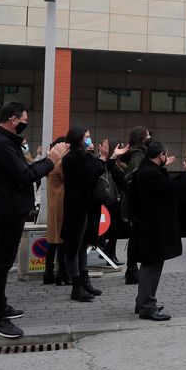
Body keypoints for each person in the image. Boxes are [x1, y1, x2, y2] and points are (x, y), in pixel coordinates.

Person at [0, 101, 69, 338]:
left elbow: (24, 169)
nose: (25, 123)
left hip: (11, 207)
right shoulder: (1, 144)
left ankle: (0, 307)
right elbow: (24, 175)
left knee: (4, 259)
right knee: (2, 262)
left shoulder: (6, 142)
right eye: (24, 119)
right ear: (13, 119)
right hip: (7, 210)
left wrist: (46, 161)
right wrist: (50, 160)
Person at [132, 140, 186, 320]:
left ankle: (143, 301)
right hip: (153, 228)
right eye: (165, 154)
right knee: (152, 265)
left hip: (151, 226)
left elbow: (168, 186)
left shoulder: (149, 170)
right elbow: (173, 188)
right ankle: (147, 306)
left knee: (151, 264)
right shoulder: (150, 174)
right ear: (161, 156)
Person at [62, 126, 126, 302]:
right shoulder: (72, 159)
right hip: (76, 207)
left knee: (84, 244)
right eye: (87, 137)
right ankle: (76, 286)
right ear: (78, 139)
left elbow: (96, 169)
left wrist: (107, 157)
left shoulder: (84, 156)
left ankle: (85, 281)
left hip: (88, 206)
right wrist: (104, 158)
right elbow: (92, 173)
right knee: (74, 247)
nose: (90, 140)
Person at [113, 125, 151, 285]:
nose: (150, 138)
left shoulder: (133, 154)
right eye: (148, 136)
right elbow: (133, 178)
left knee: (134, 237)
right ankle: (132, 271)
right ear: (142, 139)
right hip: (135, 204)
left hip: (130, 203)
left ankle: (132, 270)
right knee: (136, 238)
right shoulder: (139, 155)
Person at [44, 137, 69, 286]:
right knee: (61, 241)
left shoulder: (51, 163)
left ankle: (48, 273)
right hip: (61, 204)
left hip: (54, 204)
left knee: (53, 242)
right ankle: (62, 274)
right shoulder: (59, 164)